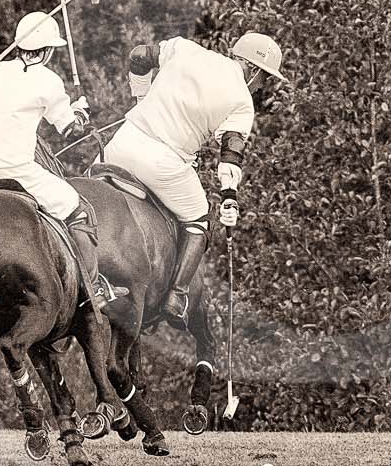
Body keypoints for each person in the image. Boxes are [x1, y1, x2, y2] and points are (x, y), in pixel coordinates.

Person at [104, 31, 285, 322]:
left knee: (79, 203)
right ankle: (177, 296)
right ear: (253, 69)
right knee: (199, 219)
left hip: (119, 146)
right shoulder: (242, 102)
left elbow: (138, 55)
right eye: (265, 78)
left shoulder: (184, 48)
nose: (263, 86)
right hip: (164, 164)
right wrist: (229, 198)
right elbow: (230, 156)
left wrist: (142, 98)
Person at [0, 11, 120, 308]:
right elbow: (69, 129)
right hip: (19, 173)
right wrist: (79, 111)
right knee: (80, 208)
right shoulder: (48, 81)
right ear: (49, 51)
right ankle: (91, 290)